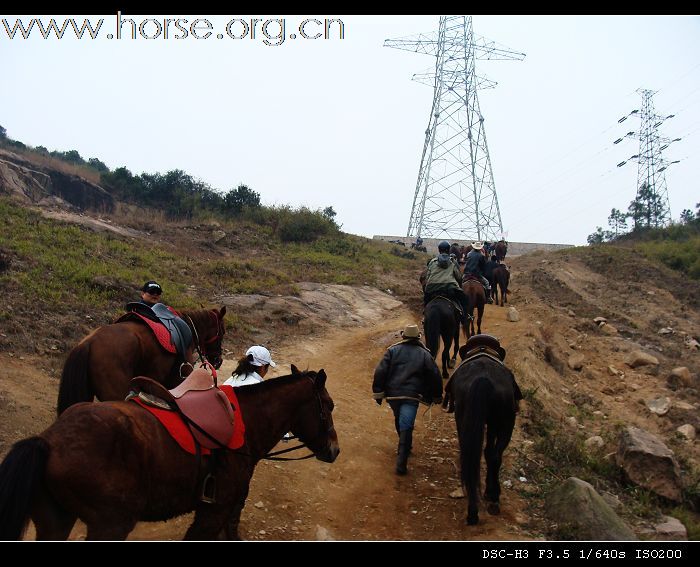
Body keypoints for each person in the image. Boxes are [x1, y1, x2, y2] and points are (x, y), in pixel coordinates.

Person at [372, 324, 442, 476]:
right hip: (411, 395)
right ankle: (401, 462)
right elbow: (434, 374)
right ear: (418, 337)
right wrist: (437, 395)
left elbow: (380, 371)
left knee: (400, 418)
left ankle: (404, 447)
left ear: (404, 336)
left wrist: (378, 393)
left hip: (393, 395)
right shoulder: (425, 354)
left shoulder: (392, 351)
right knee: (407, 423)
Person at [423, 240, 470, 329]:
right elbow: (458, 277)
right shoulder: (453, 261)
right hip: (450, 287)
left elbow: (427, 276)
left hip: (432, 287)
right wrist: (459, 286)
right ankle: (465, 318)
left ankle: (424, 316)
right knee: (464, 299)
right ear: (448, 250)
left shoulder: (432, 262)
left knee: (426, 300)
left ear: (439, 250)